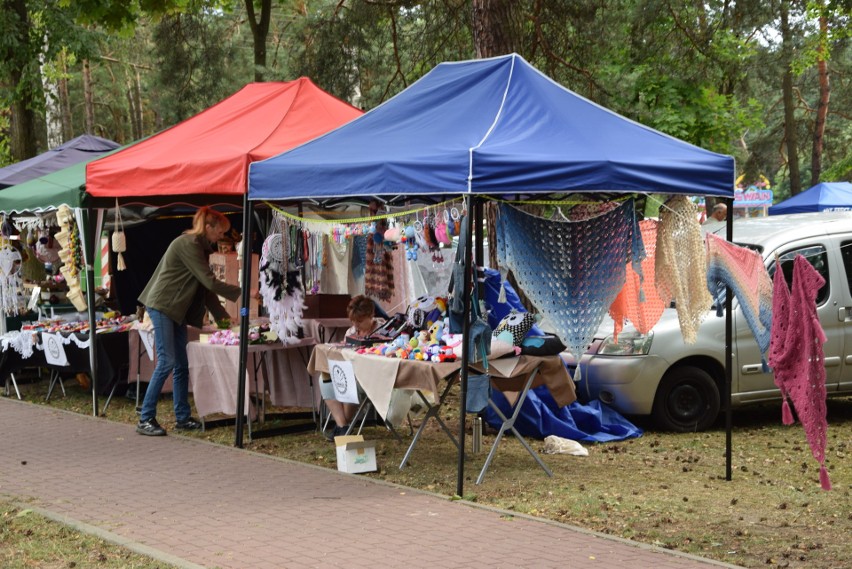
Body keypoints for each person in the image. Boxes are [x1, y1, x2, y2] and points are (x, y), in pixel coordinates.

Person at [136, 207, 242, 436]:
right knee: (167, 361)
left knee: (181, 365)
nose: (220, 237)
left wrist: (226, 322)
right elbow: (210, 283)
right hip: (163, 305)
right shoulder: (188, 245)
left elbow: (206, 292)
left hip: (175, 310)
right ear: (208, 227)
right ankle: (145, 418)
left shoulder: (199, 249)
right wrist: (243, 291)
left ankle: (182, 418)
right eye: (219, 231)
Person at [323, 295, 385, 439]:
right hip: (350, 372)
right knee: (324, 377)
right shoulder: (351, 332)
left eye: (360, 321)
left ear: (371, 315)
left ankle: (343, 427)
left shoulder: (383, 331)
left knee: (352, 383)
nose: (356, 325)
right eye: (353, 321)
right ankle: (343, 425)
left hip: (373, 377)